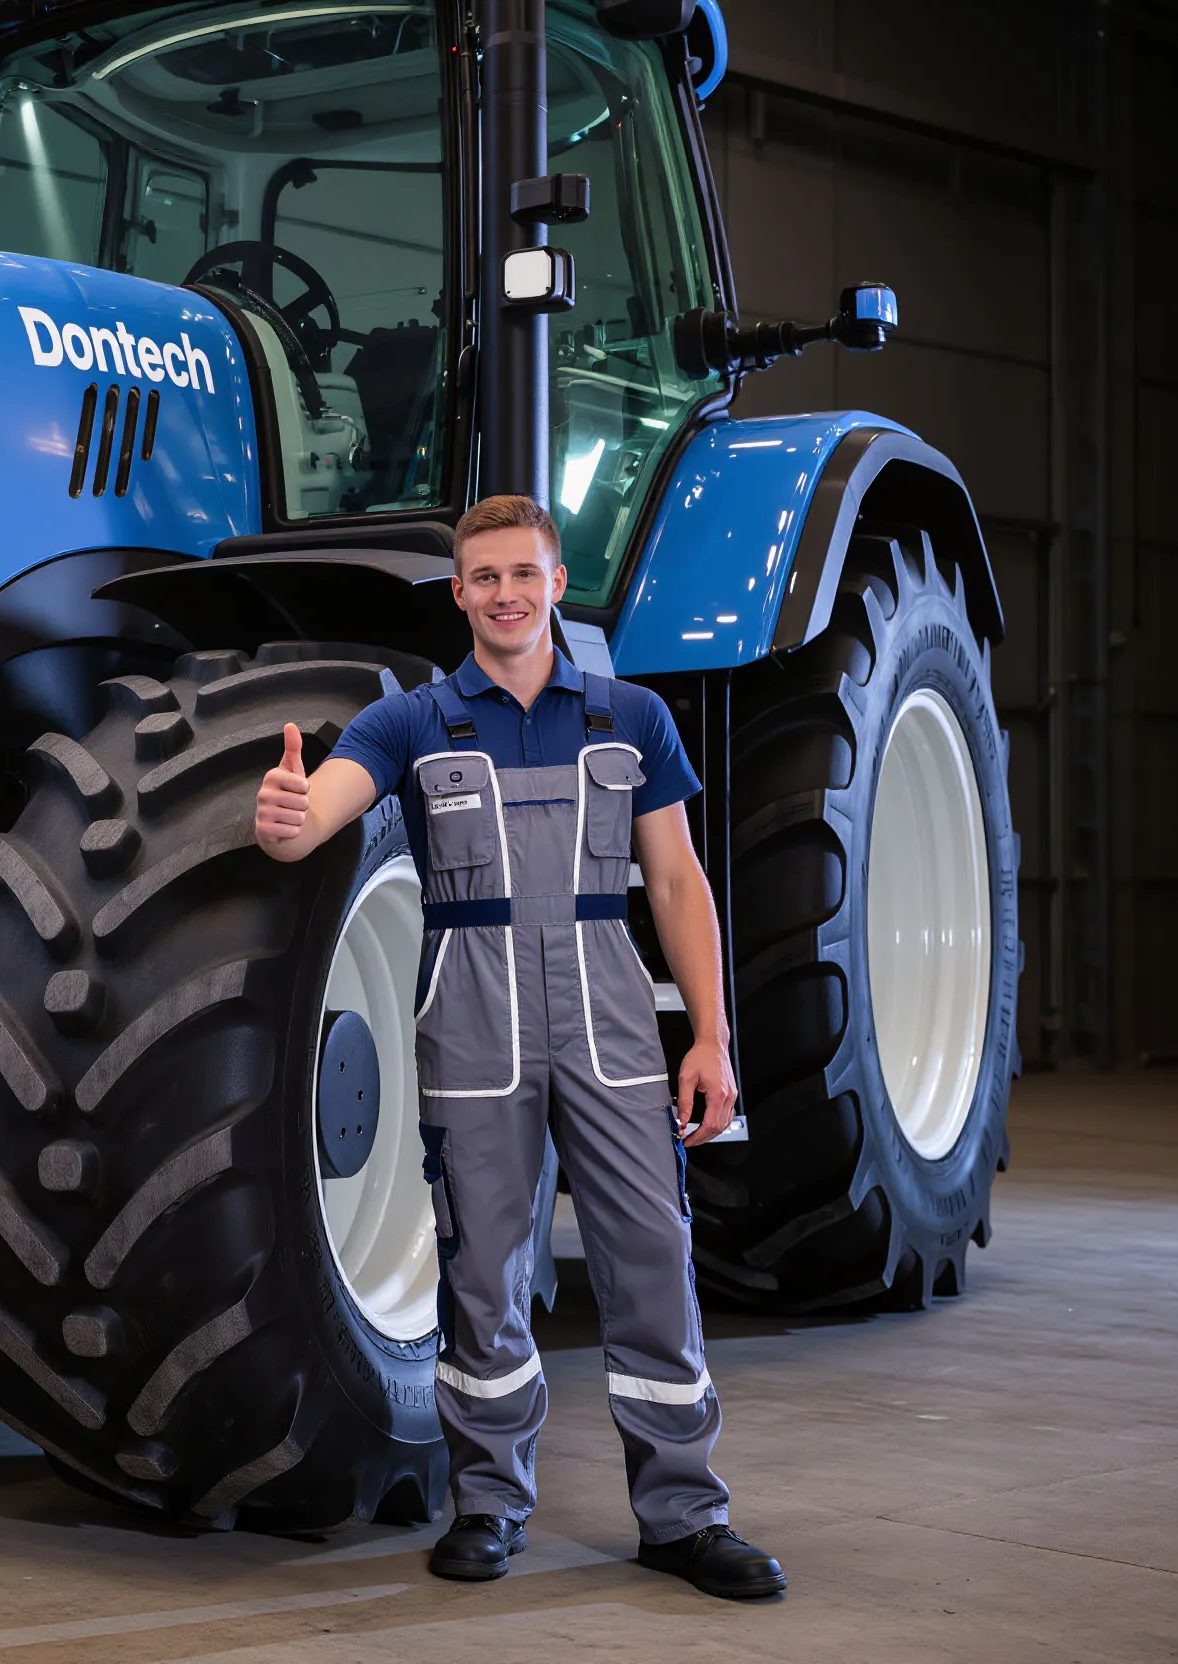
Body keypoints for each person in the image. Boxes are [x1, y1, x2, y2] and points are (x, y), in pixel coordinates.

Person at [252, 494, 785, 1600]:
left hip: (612, 1017)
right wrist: (288, 810)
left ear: (555, 583)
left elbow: (678, 884)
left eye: (524, 574)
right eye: (484, 576)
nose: (505, 594)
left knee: (651, 1259)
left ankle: (685, 1515)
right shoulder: (409, 723)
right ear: (459, 591)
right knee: (482, 1273)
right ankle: (489, 1504)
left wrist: (714, 1036)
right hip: (474, 1019)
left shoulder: (631, 717)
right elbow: (321, 815)